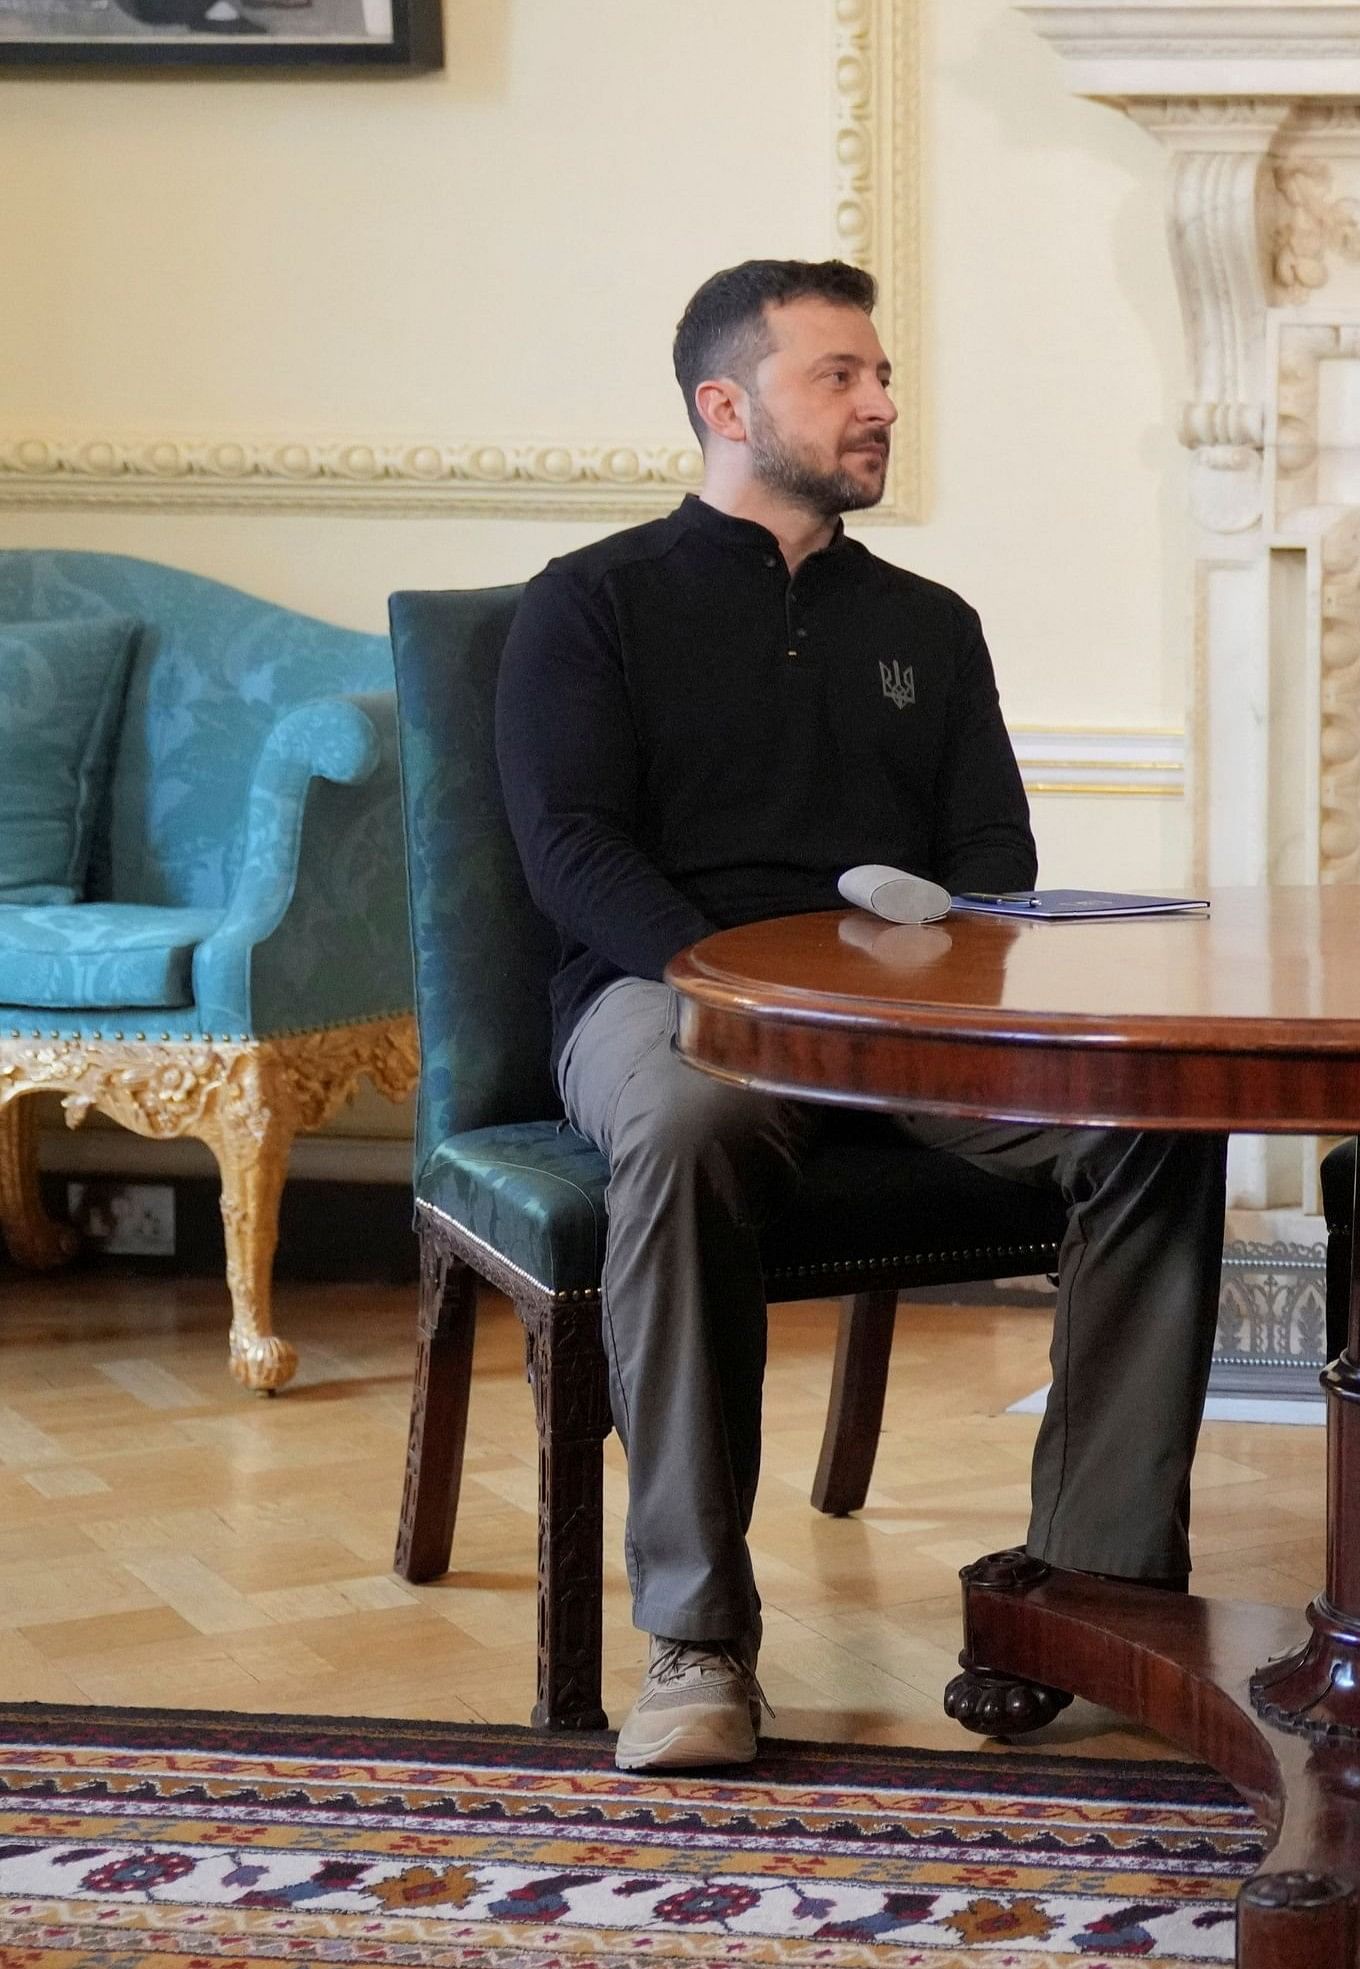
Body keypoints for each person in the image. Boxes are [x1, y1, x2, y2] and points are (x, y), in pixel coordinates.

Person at [499, 259, 1229, 1774]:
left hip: (904, 1025)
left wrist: (910, 986)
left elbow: (992, 864)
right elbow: (572, 852)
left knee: (1154, 1121)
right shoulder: (591, 604)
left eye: (882, 373)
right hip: (665, 1001)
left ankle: (1092, 1598)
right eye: (841, 374)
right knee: (693, 1117)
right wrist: (747, 991)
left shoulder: (929, 624)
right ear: (726, 404)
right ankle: (696, 1639)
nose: (882, 401)